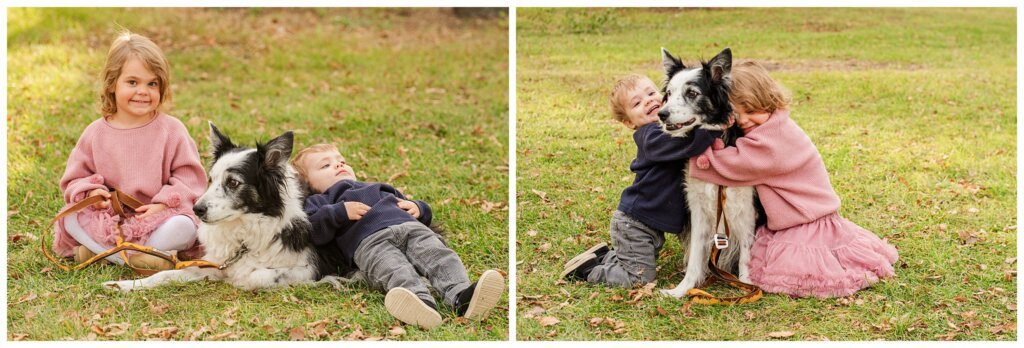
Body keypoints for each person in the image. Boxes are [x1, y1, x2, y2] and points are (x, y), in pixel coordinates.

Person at [690, 60, 899, 298]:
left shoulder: (772, 142)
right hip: (809, 215)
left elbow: (736, 164)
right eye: (736, 114)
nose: (744, 121)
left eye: (751, 111)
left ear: (767, 101)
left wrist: (700, 153)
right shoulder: (778, 125)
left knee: (800, 273)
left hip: (806, 223)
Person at [291, 144, 505, 329]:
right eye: (325, 165)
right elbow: (313, 230)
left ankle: (461, 295)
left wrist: (419, 208)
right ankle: (419, 303)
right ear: (308, 184)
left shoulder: (376, 187)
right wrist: (340, 212)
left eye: (342, 161)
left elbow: (410, 206)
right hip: (369, 242)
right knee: (393, 268)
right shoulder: (320, 201)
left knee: (440, 256)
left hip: (411, 228)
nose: (339, 165)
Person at [53, 31, 207, 271]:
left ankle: (104, 254)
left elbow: (190, 180)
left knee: (184, 227)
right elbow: (74, 180)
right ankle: (140, 258)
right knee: (70, 216)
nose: (142, 91)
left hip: (157, 219)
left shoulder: (172, 130)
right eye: (132, 82)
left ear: (162, 87)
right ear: (113, 84)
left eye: (152, 83)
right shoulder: (95, 133)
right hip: (111, 222)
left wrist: (163, 205)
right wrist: (93, 192)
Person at [561, 74, 721, 287]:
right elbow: (689, 143)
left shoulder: (670, 127)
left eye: (652, 93)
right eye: (637, 103)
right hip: (635, 224)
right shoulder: (650, 136)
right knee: (639, 278)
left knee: (638, 261)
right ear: (629, 122)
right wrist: (715, 125)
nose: (648, 100)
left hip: (648, 225)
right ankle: (590, 271)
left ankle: (606, 256)